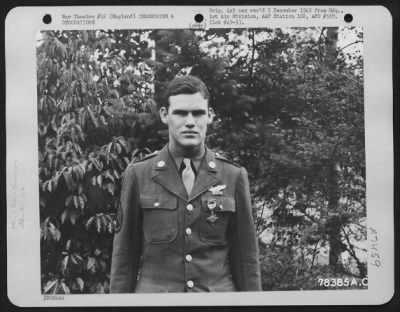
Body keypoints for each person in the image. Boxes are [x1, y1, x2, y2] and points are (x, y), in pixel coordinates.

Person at [110, 75, 261, 293]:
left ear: (209, 116)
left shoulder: (233, 175)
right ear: (165, 115)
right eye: (181, 113)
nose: (190, 122)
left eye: (198, 113)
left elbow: (246, 260)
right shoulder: (139, 175)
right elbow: (124, 259)